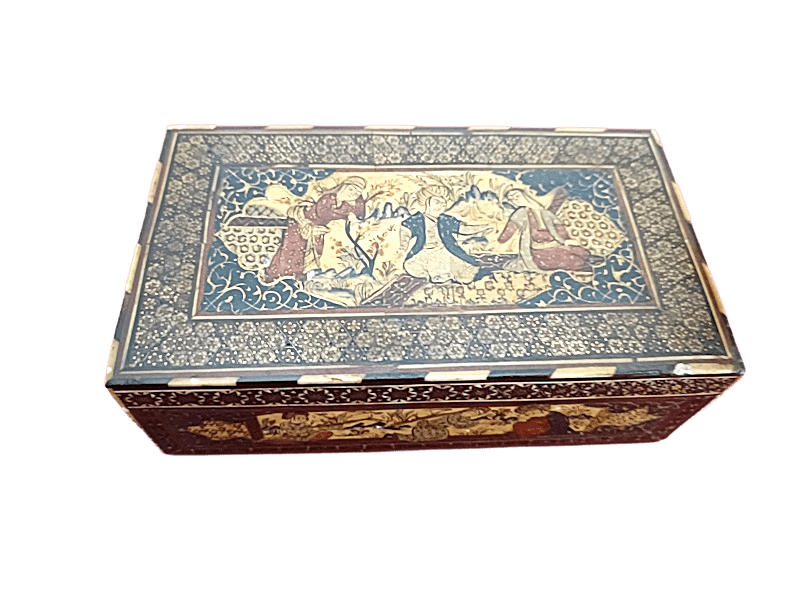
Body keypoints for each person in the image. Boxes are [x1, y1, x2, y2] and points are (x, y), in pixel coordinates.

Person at [264, 177, 368, 282]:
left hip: (316, 229)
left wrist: (358, 201)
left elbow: (361, 214)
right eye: (351, 189)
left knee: (312, 254)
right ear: (343, 186)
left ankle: (297, 279)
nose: (352, 194)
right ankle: (282, 277)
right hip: (301, 222)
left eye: (356, 193)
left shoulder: (345, 206)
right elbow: (323, 214)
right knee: (294, 251)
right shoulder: (328, 198)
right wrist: (346, 215)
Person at [402, 185, 492, 284]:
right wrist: (404, 243)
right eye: (437, 202)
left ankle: (447, 275)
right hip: (424, 251)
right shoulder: (418, 219)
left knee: (466, 271)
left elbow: (463, 229)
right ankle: (437, 275)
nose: (441, 206)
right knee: (411, 266)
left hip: (444, 249)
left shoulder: (445, 220)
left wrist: (484, 227)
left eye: (443, 204)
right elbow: (406, 229)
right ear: (428, 202)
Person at [498, 187, 592, 273]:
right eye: (511, 199)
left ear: (525, 196)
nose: (515, 200)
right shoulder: (520, 213)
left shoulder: (545, 212)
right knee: (576, 262)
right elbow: (506, 235)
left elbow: (560, 228)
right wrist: (497, 237)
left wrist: (566, 240)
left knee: (583, 253)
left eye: (517, 196)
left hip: (556, 246)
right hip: (539, 253)